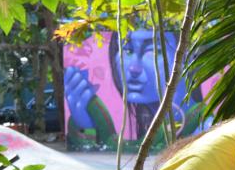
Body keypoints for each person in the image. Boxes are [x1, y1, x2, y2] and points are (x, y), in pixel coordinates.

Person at [65, 29, 206, 150]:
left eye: (153, 51)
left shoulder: (205, 128)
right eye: (128, 50)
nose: (133, 68)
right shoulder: (150, 127)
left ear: (186, 57)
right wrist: (84, 123)